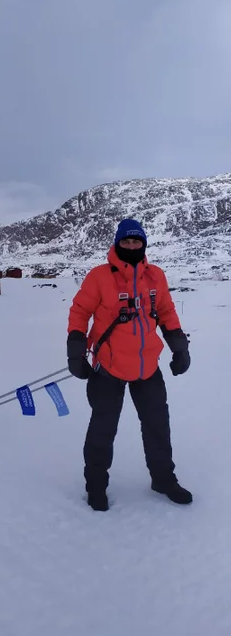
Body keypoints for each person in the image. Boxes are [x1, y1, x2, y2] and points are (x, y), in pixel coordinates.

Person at [67, 218, 192, 511]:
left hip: (147, 366)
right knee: (103, 429)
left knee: (157, 426)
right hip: (108, 367)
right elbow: (79, 312)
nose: (132, 246)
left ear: (143, 244)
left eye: (137, 242)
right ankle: (96, 486)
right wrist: (76, 353)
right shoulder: (99, 277)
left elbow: (166, 312)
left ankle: (163, 479)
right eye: (127, 241)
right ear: (117, 243)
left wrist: (179, 349)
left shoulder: (156, 277)